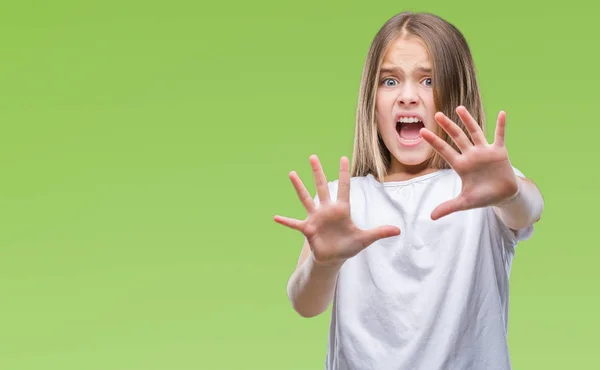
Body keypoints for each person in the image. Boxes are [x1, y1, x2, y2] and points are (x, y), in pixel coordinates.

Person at [273, 11, 544, 370]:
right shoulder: (345, 202)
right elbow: (304, 303)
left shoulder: (484, 190)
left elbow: (530, 208)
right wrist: (325, 262)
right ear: (372, 100)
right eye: (389, 81)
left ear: (456, 92)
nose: (407, 97)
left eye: (428, 81)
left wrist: (510, 192)